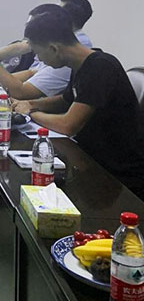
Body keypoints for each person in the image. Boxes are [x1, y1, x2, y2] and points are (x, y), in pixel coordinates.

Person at [12, 11, 144, 196]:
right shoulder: (81, 64)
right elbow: (65, 100)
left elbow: (68, 125)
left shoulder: (100, 68)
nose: (40, 60)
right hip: (89, 156)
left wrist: (30, 113)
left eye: (39, 54)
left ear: (54, 48)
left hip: (115, 173)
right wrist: (31, 103)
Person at [0, 2, 93, 100]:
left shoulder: (82, 62)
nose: (39, 59)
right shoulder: (67, 52)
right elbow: (33, 73)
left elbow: (21, 93)